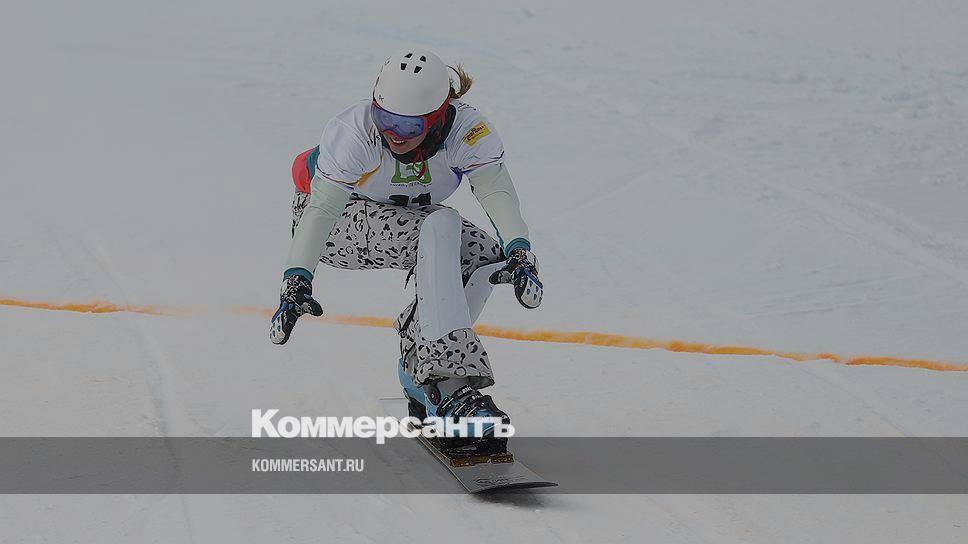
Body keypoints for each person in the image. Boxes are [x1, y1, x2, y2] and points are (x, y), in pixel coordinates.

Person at [270, 49, 542, 449]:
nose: (394, 133)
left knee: (483, 258)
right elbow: (323, 209)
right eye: (385, 118)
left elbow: (496, 191)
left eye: (408, 125)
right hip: (335, 223)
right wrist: (296, 278)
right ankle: (449, 389)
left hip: (405, 218)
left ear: (438, 118)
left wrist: (519, 251)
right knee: (441, 225)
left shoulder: (468, 132)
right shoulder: (355, 132)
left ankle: (420, 377)